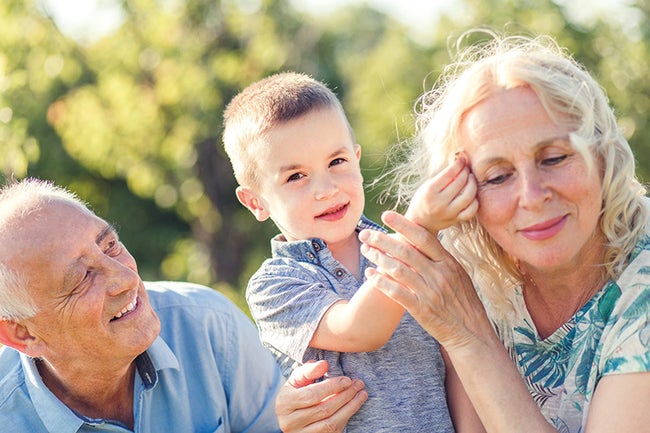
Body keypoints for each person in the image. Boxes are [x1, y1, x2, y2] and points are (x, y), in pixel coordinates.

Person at [355, 31, 650, 433]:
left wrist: (468, 336)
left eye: (554, 157)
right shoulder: (471, 276)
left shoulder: (642, 288)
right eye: (497, 176)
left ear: (602, 155)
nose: (531, 197)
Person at [0, 177, 364, 433]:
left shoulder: (210, 327)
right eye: (82, 278)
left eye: (110, 245)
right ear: (22, 333)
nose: (125, 279)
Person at [222, 71, 478, 432]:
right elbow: (360, 329)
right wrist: (420, 224)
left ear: (356, 160)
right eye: (296, 177)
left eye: (336, 162)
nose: (325, 189)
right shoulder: (275, 285)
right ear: (256, 202)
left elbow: (456, 364)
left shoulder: (403, 251)